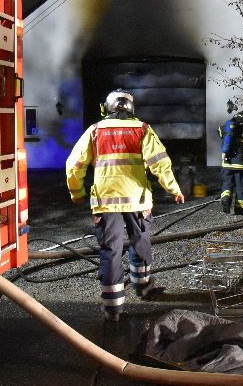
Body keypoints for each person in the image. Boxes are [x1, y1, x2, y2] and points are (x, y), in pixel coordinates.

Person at [66, 89, 184, 322]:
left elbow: (74, 165)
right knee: (140, 241)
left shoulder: (95, 131)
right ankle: (143, 288)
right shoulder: (142, 129)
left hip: (105, 201)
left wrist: (76, 192)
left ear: (106, 108)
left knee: (110, 251)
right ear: (131, 108)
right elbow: (160, 163)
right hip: (137, 200)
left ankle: (113, 310)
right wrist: (174, 190)